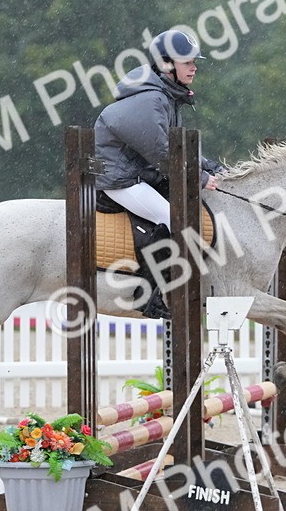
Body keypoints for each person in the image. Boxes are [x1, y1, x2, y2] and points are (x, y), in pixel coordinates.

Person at [94, 29, 225, 319]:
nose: (194, 67)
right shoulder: (150, 99)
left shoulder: (163, 95)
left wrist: (208, 165)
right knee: (172, 218)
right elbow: (163, 154)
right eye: (187, 61)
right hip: (120, 180)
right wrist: (201, 179)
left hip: (138, 174)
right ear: (166, 64)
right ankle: (149, 296)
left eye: (194, 61)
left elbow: (175, 147)